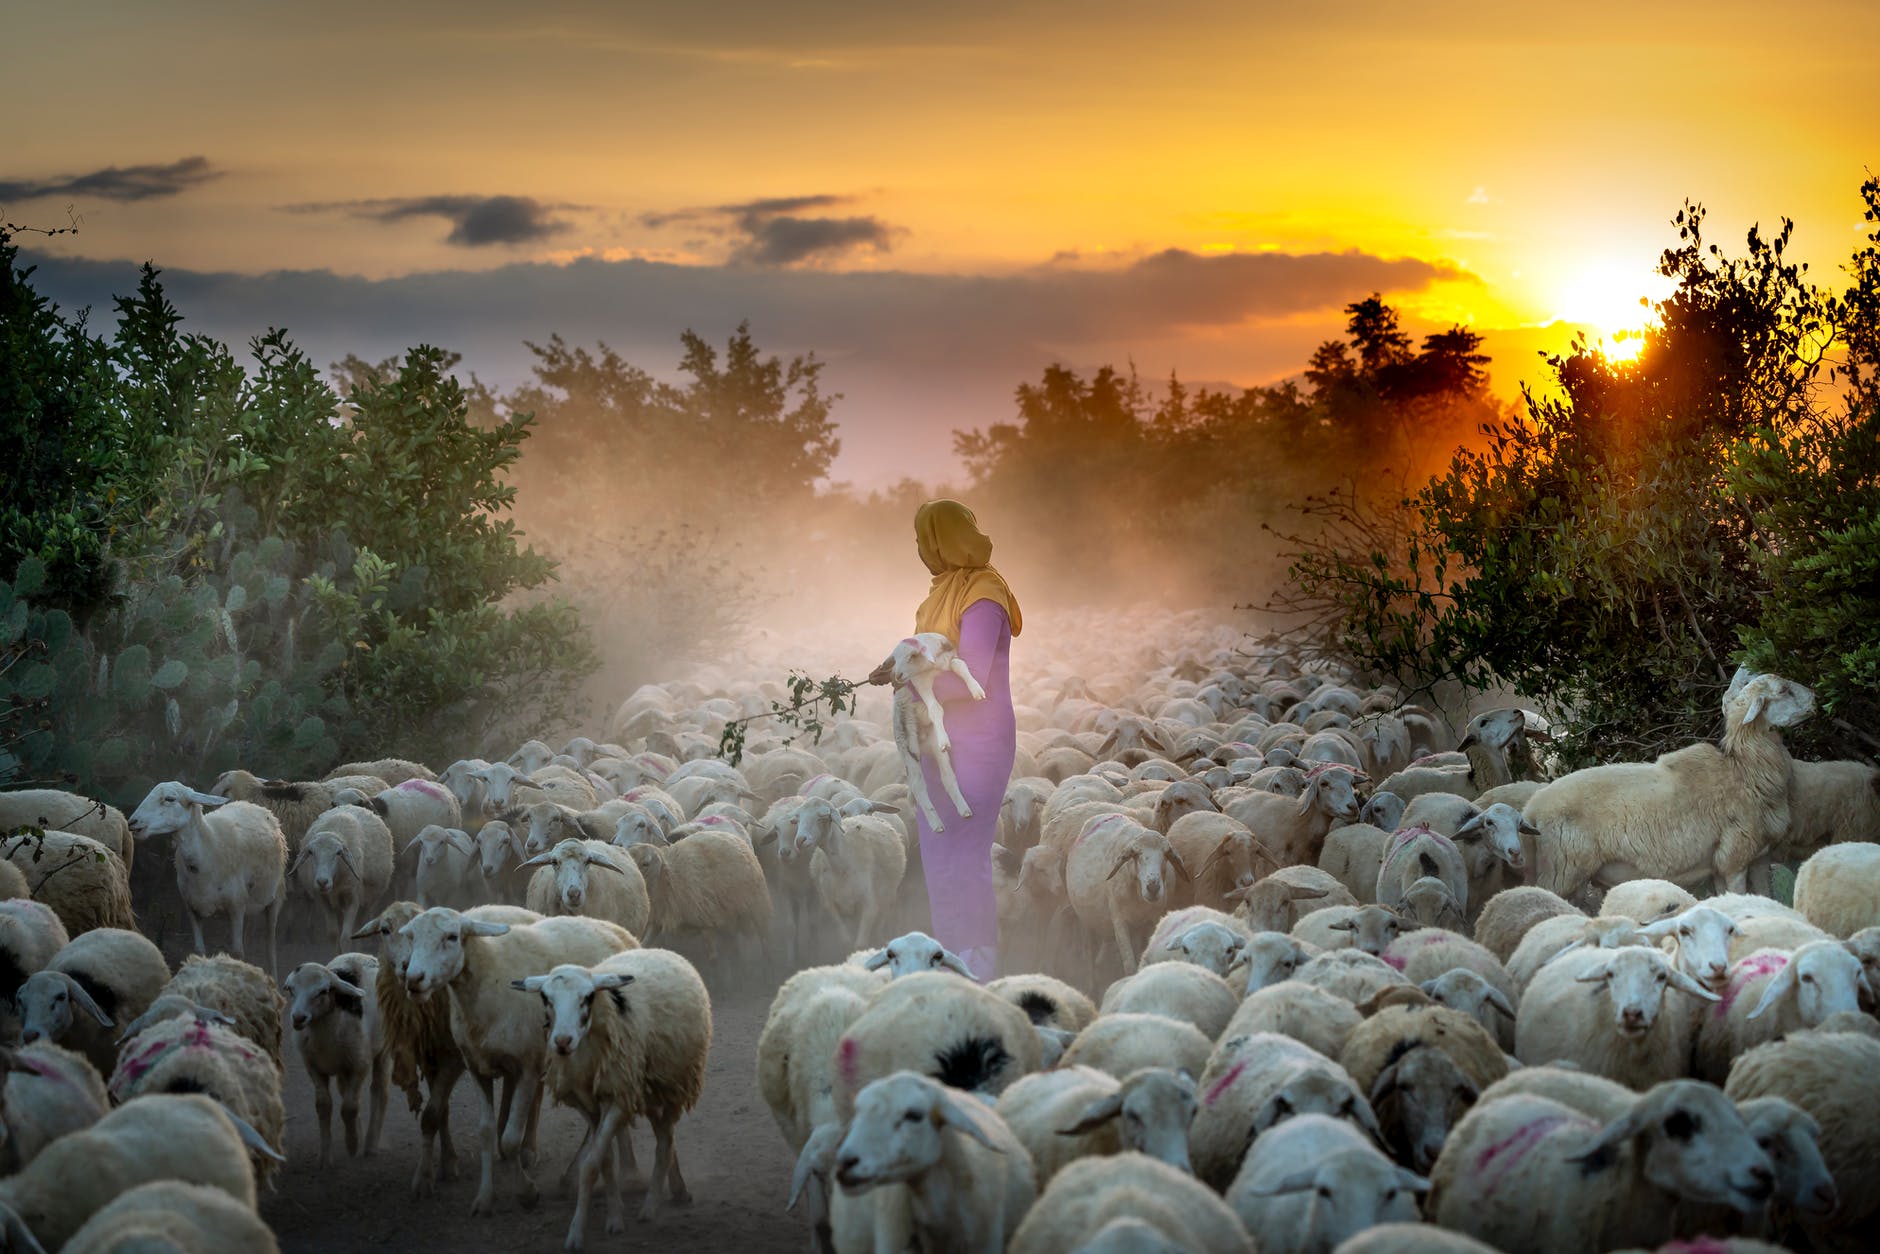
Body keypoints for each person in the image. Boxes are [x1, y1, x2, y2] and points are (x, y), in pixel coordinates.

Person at [869, 499, 1020, 982]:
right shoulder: (940, 594)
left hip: (979, 740)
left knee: (964, 851)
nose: (919, 550)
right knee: (939, 851)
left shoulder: (983, 595)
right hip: (936, 738)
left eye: (922, 540)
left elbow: (971, 677)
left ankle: (976, 968)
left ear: (941, 540)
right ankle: (947, 959)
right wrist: (897, 668)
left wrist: (906, 683)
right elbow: (925, 658)